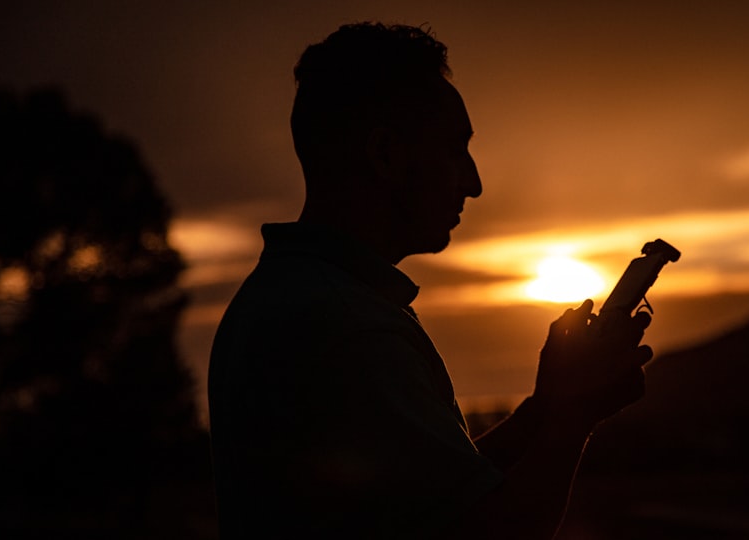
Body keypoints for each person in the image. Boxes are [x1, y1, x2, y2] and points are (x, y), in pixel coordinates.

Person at [207, 22, 653, 540]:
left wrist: (545, 409)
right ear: (386, 156)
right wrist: (573, 417)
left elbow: (430, 494)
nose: (475, 182)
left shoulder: (298, 296)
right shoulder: (349, 327)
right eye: (454, 150)